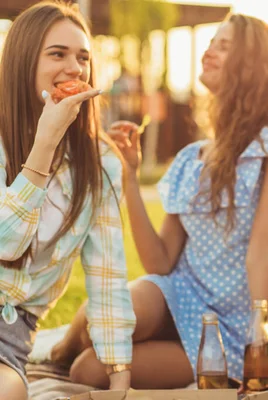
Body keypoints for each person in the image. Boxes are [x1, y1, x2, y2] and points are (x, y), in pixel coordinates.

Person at [51, 13, 268, 389]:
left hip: (225, 327)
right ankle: (56, 351)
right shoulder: (191, 157)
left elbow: (263, 252)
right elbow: (160, 262)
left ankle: (81, 354)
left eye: (224, 46)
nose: (209, 52)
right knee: (105, 316)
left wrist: (260, 347)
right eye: (212, 43)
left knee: (87, 371)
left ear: (253, 68)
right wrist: (129, 174)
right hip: (176, 293)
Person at [0, 2, 136, 399]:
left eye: (83, 58)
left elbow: (107, 275)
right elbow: (5, 244)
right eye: (57, 54)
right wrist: (44, 144)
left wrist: (119, 379)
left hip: (11, 331)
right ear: (23, 62)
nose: (74, 68)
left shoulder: (101, 162)